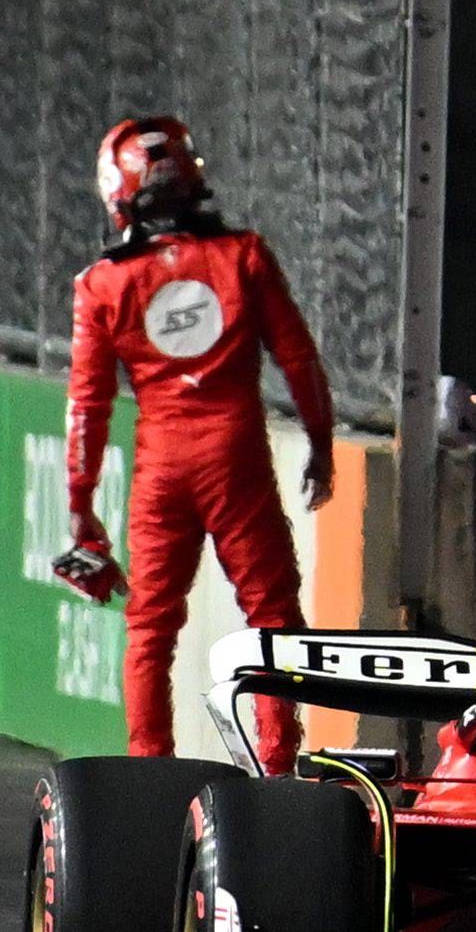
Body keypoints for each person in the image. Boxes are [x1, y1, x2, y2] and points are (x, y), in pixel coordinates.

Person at [63, 114, 335, 773]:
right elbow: (298, 358)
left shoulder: (103, 283)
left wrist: (80, 504)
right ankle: (277, 764)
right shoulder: (243, 255)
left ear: (118, 192)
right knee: (271, 614)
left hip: (161, 467)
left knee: (150, 627)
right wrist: (321, 441)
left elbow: (87, 405)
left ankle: (149, 768)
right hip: (236, 457)